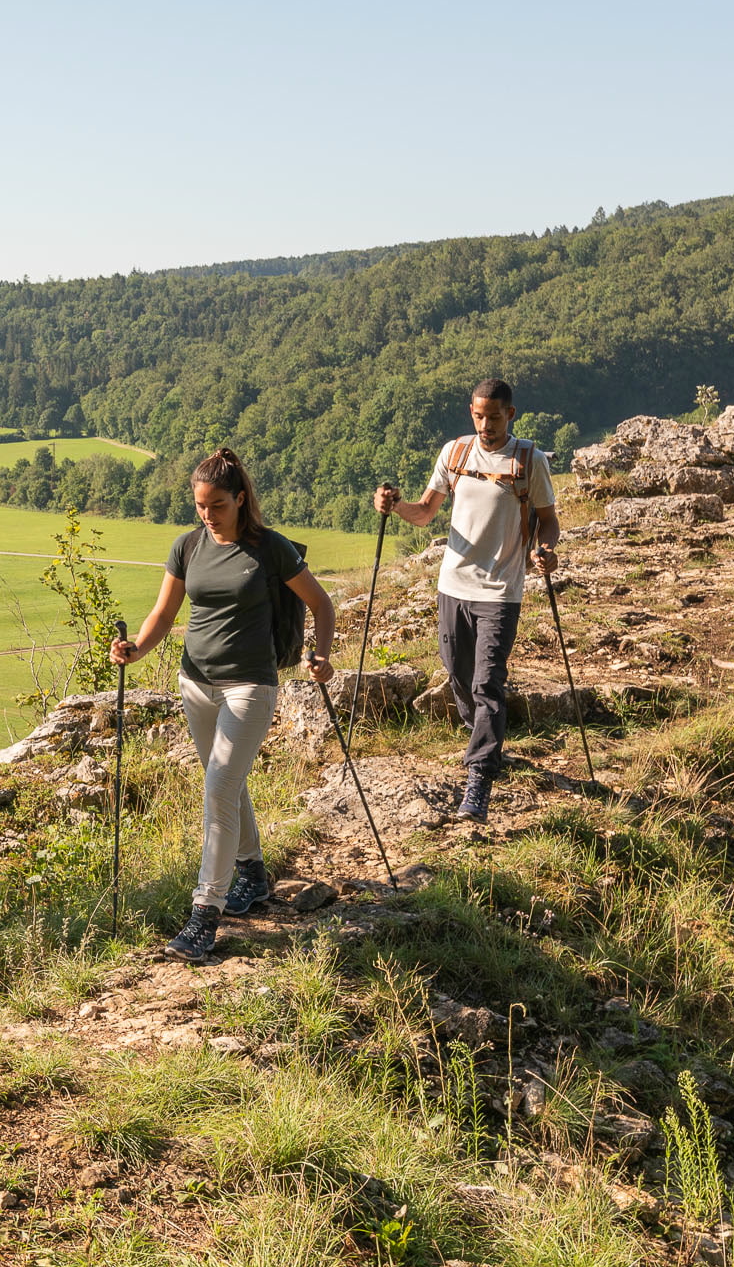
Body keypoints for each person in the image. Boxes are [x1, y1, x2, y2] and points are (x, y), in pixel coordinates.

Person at [110, 447, 337, 963]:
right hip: (195, 683)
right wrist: (135, 650)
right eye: (199, 505)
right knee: (227, 784)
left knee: (218, 788)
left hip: (249, 686)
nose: (207, 515)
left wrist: (321, 656)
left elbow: (320, 603)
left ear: (240, 499)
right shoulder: (188, 547)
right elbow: (164, 615)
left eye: (216, 505)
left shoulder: (269, 549)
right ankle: (253, 874)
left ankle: (205, 914)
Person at [372, 377, 561, 823]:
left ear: (510, 415)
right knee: (458, 677)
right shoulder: (455, 453)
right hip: (452, 585)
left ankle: (479, 775)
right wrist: (393, 506)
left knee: (486, 682)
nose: (485, 425)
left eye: (493, 417)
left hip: (501, 590)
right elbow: (424, 512)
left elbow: (549, 521)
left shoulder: (529, 460)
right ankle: (484, 738)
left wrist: (545, 550)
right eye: (478, 415)